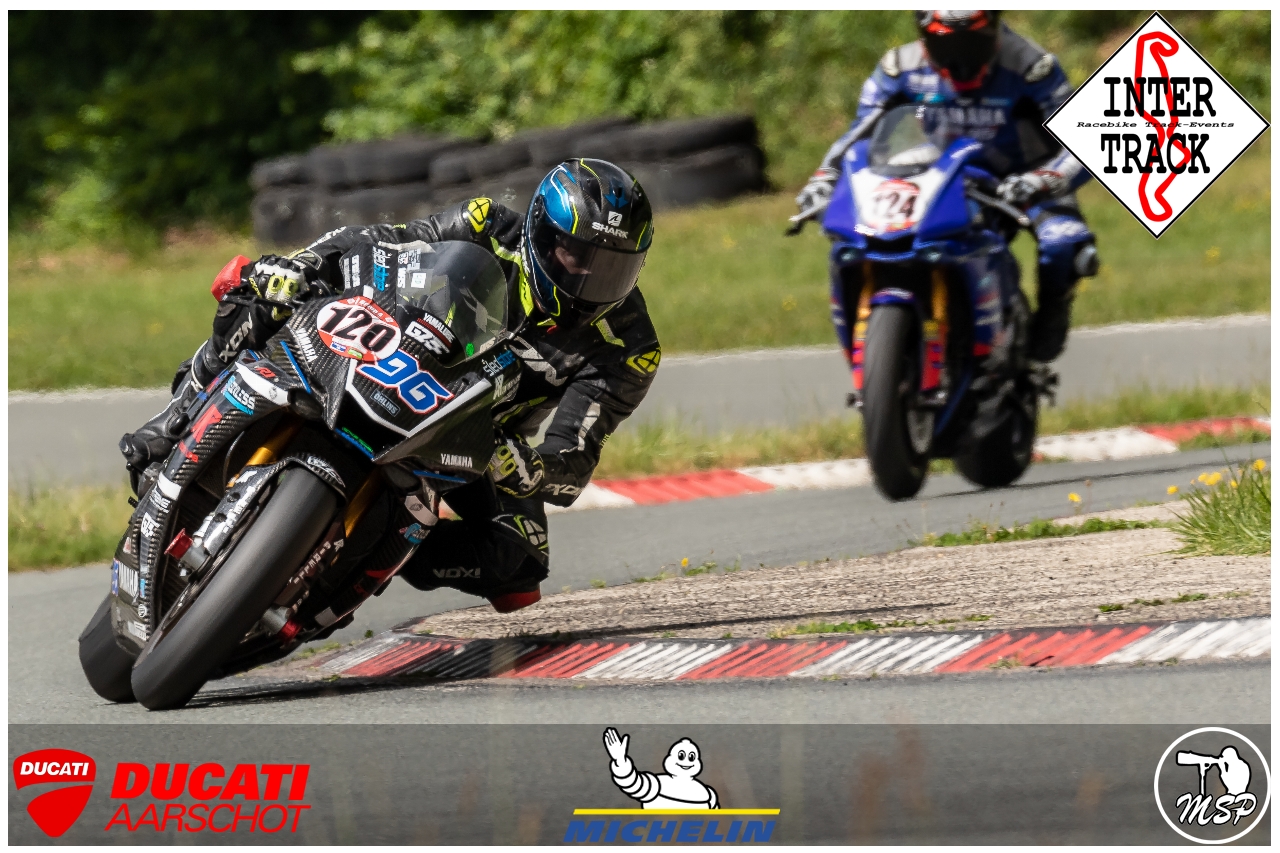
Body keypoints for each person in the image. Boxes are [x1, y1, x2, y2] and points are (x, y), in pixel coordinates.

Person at [119, 158, 661, 613]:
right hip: (391, 346)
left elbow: (573, 464)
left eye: (612, 269)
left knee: (517, 567)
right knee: (261, 294)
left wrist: (532, 468)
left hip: (477, 439)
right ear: (540, 232)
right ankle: (175, 418)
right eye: (576, 256)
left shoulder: (629, 348)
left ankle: (351, 569)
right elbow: (380, 242)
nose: (588, 279)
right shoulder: (486, 224)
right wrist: (305, 266)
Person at [794, 10, 1099, 362]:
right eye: (945, 45)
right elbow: (858, 134)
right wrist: (824, 179)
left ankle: (1048, 322)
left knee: (1063, 243)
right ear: (924, 36)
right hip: (938, 179)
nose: (960, 61)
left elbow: (1081, 142)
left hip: (1024, 181)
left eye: (972, 43)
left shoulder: (1033, 67)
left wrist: (1044, 180)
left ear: (995, 30)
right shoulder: (899, 67)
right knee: (869, 238)